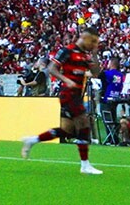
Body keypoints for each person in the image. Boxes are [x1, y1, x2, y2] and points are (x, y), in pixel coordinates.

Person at [21, 27, 103, 175]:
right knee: (84, 123)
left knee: (67, 131)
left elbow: (96, 73)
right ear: (84, 37)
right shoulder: (68, 51)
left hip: (76, 95)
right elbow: (52, 69)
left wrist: (95, 54)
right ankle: (85, 165)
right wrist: (67, 80)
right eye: (93, 41)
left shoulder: (85, 55)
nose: (94, 44)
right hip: (68, 93)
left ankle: (32, 140)